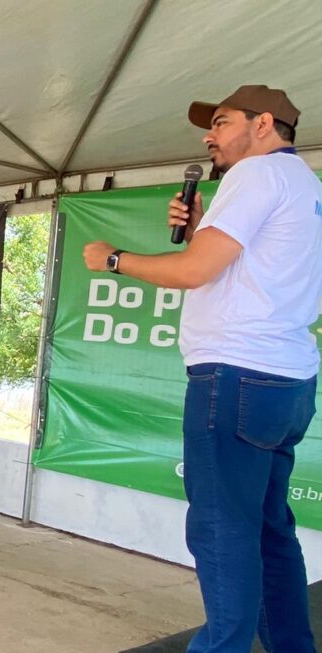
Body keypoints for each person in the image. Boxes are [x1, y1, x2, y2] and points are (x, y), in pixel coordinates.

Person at [82, 85, 320, 652]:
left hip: (236, 375)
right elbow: (241, 269)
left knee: (222, 532)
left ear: (263, 124)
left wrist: (113, 260)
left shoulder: (255, 176)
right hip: (287, 380)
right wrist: (198, 232)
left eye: (220, 122)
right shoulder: (307, 186)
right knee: (267, 529)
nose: (209, 136)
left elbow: (194, 272)